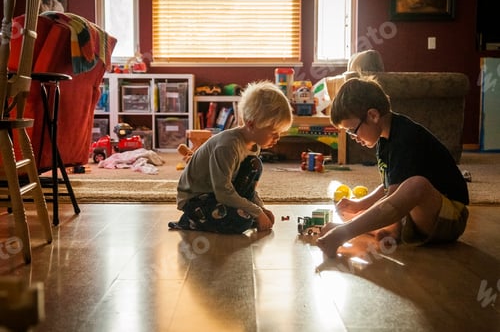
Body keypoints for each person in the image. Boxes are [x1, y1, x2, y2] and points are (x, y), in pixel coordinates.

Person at [317, 77, 469, 258]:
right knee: (385, 207)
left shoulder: (405, 137)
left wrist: (346, 229)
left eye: (352, 130)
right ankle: (388, 230)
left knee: (416, 185)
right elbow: (390, 185)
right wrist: (360, 203)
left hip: (450, 217)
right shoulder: (384, 138)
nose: (353, 137)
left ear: (373, 116)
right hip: (421, 216)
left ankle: (347, 231)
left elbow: (395, 194)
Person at [169, 80, 293, 234]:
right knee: (242, 222)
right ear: (251, 124)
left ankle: (235, 216)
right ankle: (190, 220)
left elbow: (247, 189)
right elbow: (223, 191)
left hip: (218, 194)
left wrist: (261, 209)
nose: (278, 137)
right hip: (196, 199)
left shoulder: (254, 146)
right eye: (273, 131)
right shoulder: (227, 146)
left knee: (255, 165)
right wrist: (256, 212)